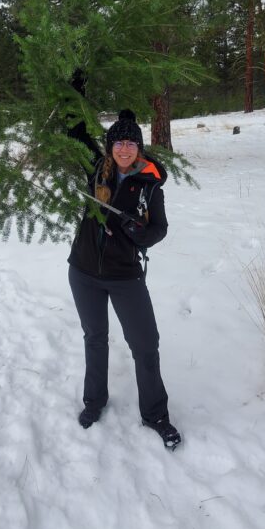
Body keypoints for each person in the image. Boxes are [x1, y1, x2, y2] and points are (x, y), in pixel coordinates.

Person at [67, 107, 182, 451]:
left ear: (139, 148)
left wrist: (139, 233)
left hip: (125, 275)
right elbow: (74, 133)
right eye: (118, 142)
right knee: (95, 338)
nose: (124, 149)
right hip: (83, 271)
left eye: (131, 143)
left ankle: (156, 415)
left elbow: (159, 228)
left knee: (145, 344)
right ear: (110, 145)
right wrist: (77, 92)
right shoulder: (95, 169)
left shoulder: (148, 184)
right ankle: (94, 401)